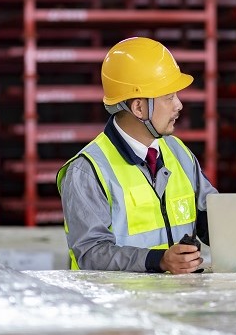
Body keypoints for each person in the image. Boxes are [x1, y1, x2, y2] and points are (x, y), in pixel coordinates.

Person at [57, 37, 217, 274]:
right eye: (168, 97)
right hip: (120, 309)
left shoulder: (179, 152)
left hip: (179, 305)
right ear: (139, 107)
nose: (179, 105)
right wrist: (158, 261)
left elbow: (211, 221)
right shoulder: (87, 170)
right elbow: (90, 254)